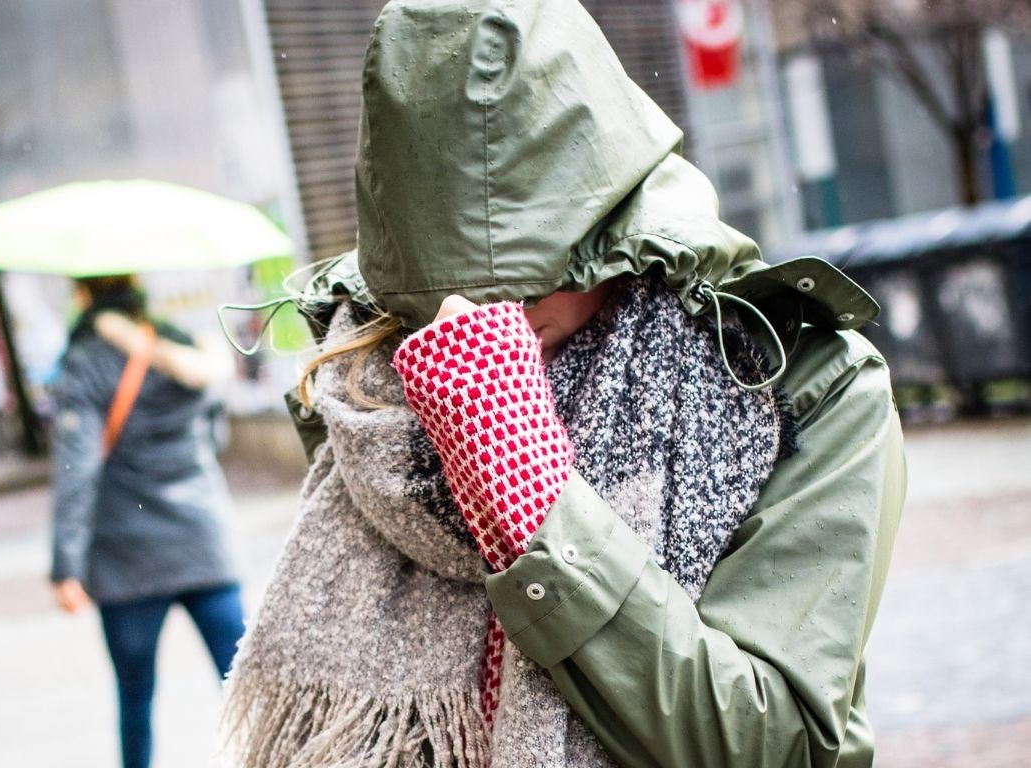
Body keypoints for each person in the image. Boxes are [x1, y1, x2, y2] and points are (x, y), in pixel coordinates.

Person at [222, 2, 905, 767]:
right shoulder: (366, 379)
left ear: (604, 226)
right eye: (440, 286)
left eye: (520, 280)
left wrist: (539, 511)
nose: (475, 319)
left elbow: (778, 745)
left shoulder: (790, 383)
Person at [49, 275, 245, 768]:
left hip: (126, 556)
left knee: (135, 697)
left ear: (84, 295)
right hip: (203, 541)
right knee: (244, 687)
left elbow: (78, 470)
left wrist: (65, 565)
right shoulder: (181, 350)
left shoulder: (86, 362)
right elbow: (213, 436)